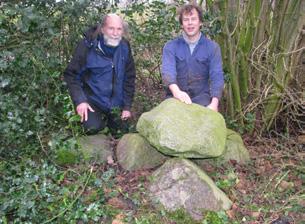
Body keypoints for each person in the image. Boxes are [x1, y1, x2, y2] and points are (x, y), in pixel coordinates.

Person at [64, 14, 136, 134]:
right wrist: (80, 100)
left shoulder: (124, 47)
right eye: (111, 28)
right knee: (92, 128)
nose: (115, 33)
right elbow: (71, 75)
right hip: (93, 100)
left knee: (121, 132)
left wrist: (127, 107)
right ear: (102, 29)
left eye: (119, 29)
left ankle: (112, 122)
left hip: (116, 103)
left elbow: (129, 77)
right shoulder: (87, 46)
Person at [161, 4, 224, 112]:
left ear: (200, 23)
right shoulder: (170, 46)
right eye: (186, 20)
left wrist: (214, 104)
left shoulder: (212, 48)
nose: (190, 23)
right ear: (182, 24)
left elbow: (217, 76)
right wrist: (177, 92)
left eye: (193, 19)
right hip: (175, 98)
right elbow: (168, 71)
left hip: (202, 100)